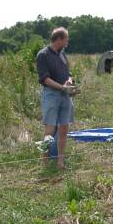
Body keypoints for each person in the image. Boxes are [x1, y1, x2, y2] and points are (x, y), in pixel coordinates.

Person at [35, 27, 76, 169]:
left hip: (65, 96)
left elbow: (68, 73)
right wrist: (61, 87)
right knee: (50, 130)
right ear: (59, 39)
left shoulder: (63, 54)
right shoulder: (43, 55)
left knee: (64, 128)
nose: (67, 41)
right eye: (66, 39)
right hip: (51, 95)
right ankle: (44, 162)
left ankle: (60, 162)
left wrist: (69, 82)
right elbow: (45, 79)